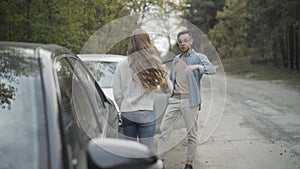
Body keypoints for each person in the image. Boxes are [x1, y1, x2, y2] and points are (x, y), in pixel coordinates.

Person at [157, 30, 216, 169]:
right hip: (174, 100)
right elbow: (172, 80)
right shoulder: (176, 59)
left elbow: (212, 69)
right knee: (164, 130)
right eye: (180, 41)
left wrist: (197, 67)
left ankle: (189, 163)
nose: (182, 44)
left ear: (191, 41)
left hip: (190, 101)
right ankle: (160, 161)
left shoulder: (198, 57)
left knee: (191, 133)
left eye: (185, 41)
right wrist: (163, 81)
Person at [112, 29, 172, 149]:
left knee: (130, 151)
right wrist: (163, 72)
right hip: (146, 112)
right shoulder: (153, 63)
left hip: (127, 112)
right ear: (147, 43)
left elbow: (117, 93)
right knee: (145, 152)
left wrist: (124, 106)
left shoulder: (121, 65)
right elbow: (168, 89)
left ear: (131, 44)